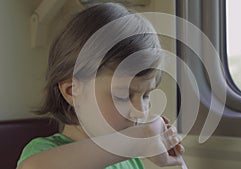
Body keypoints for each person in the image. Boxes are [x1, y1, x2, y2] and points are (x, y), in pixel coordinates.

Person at [17, 3, 184, 169]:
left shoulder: (128, 161)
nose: (141, 111)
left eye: (146, 95)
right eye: (122, 96)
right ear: (72, 92)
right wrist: (139, 139)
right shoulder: (44, 152)